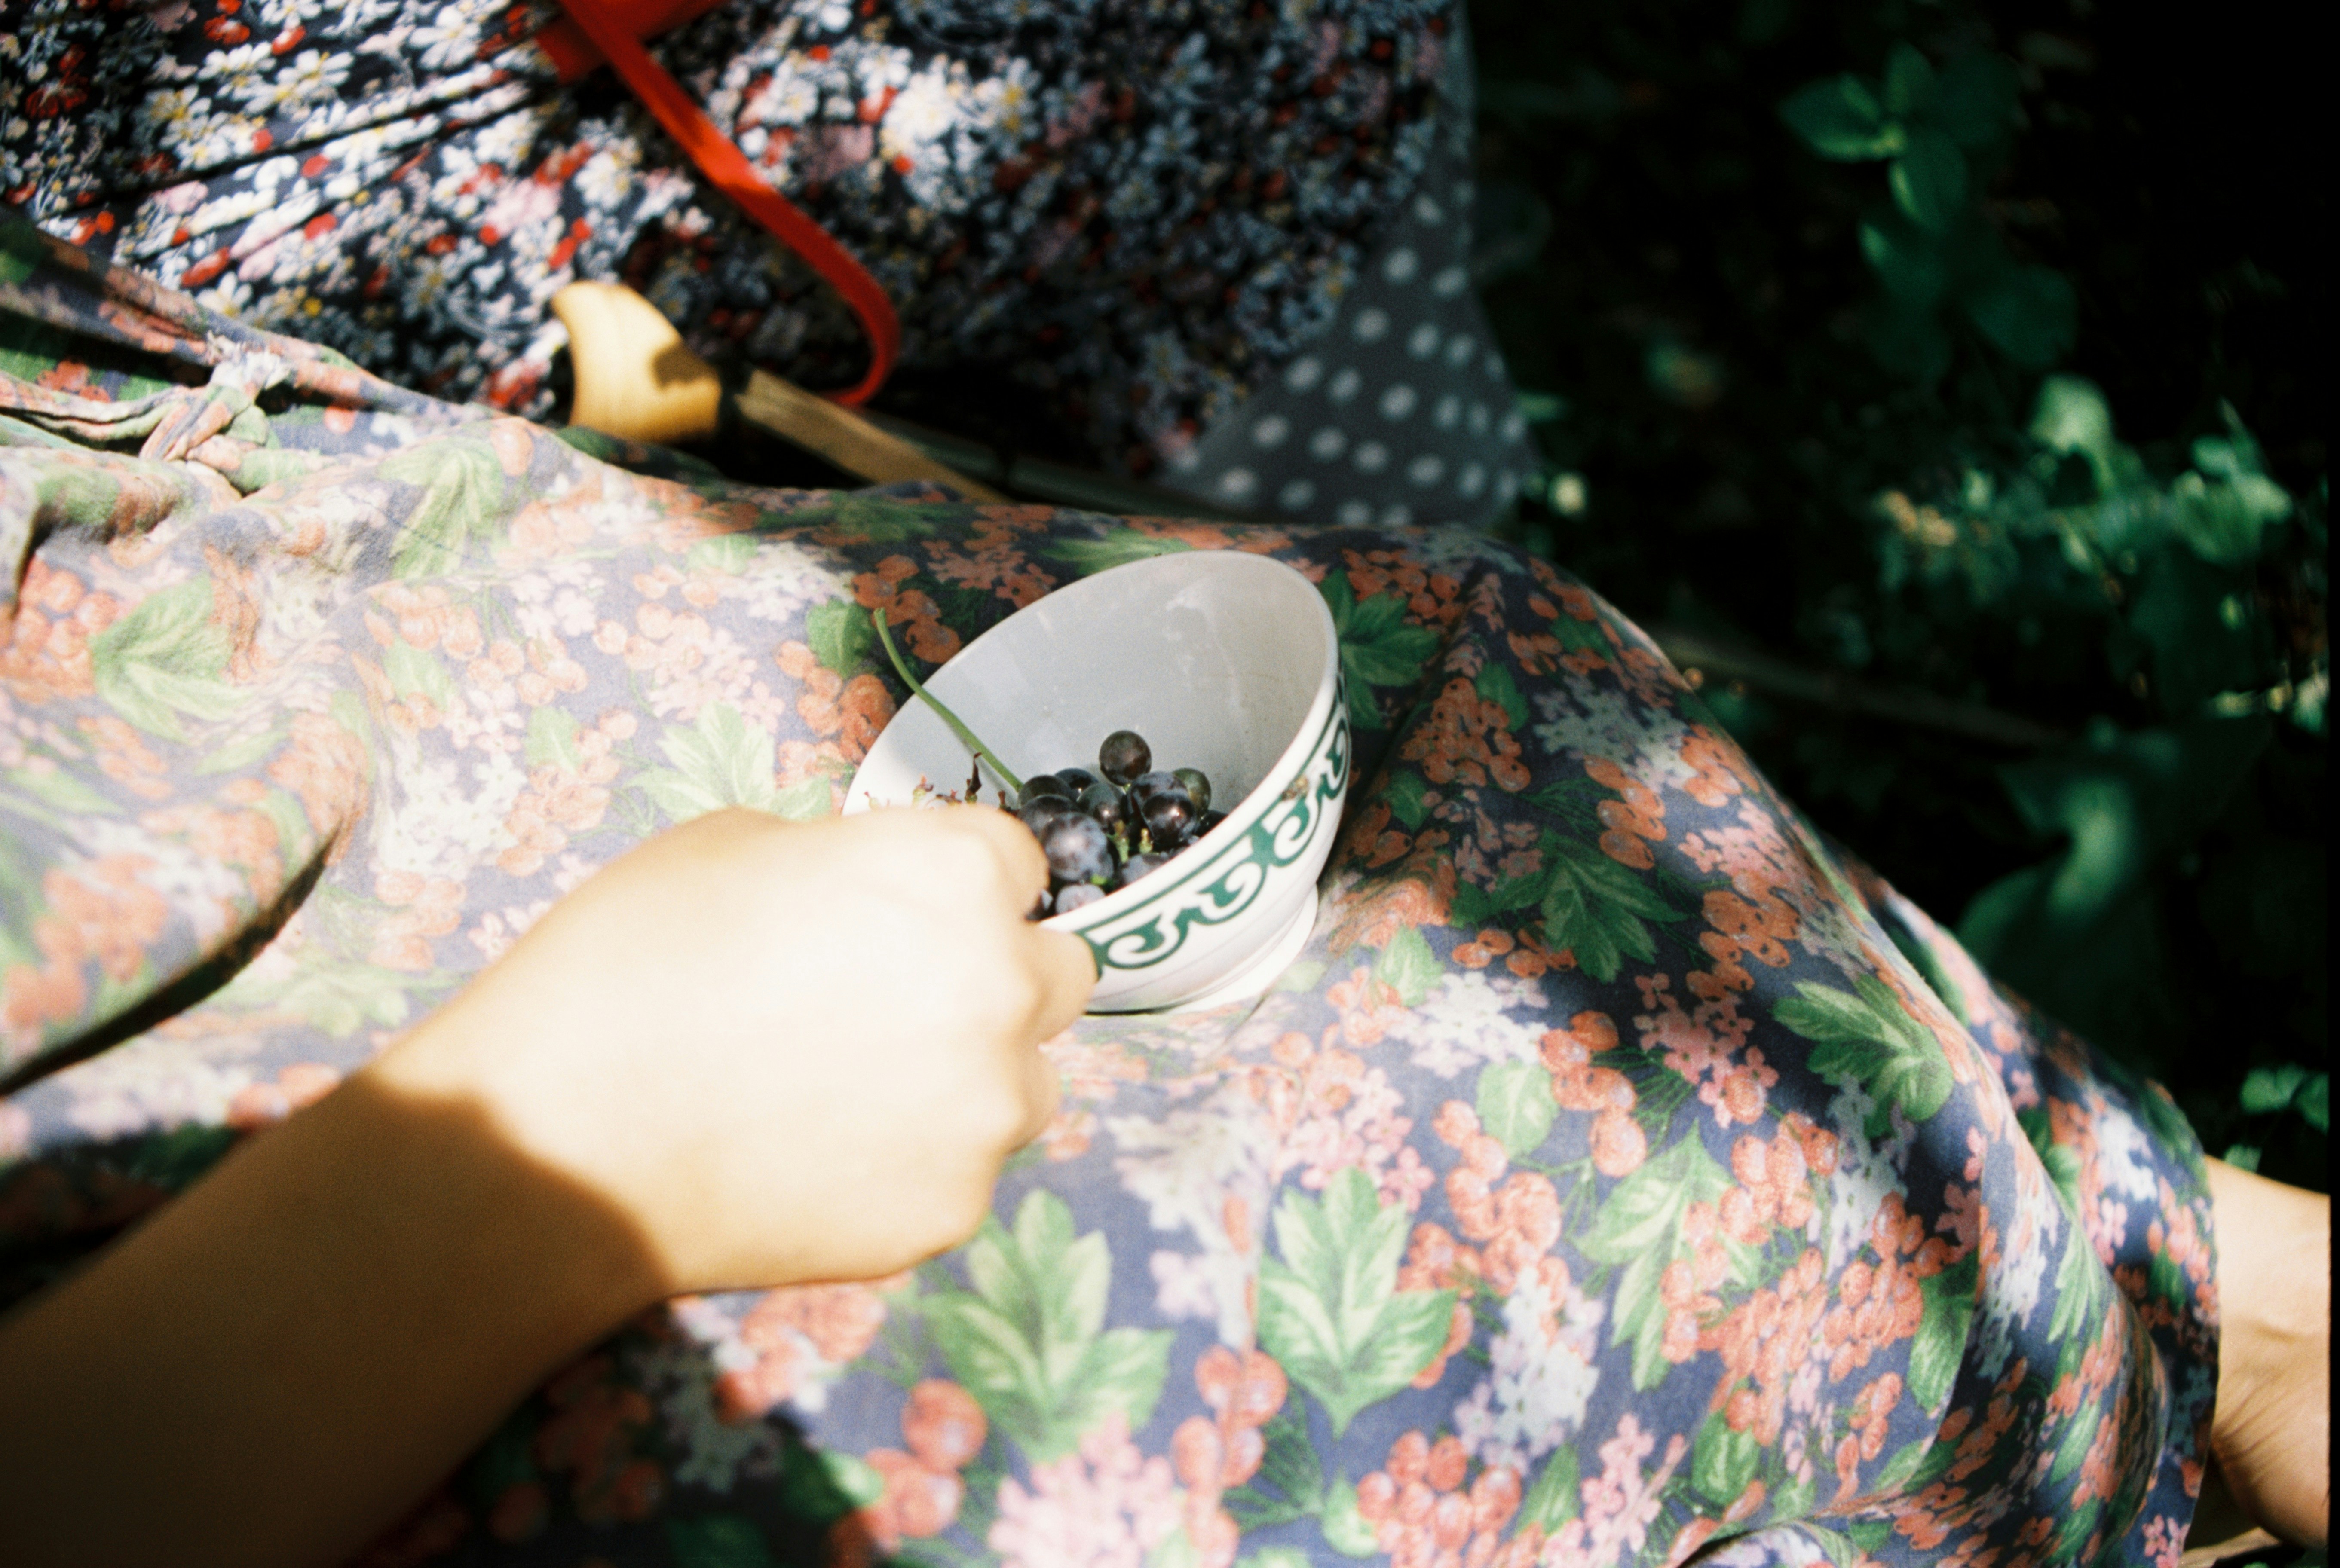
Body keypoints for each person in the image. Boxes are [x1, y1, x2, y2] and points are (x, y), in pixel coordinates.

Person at [0, 214, 2325, 1568]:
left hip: (306, 627)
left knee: (1513, 719)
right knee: (1462, 1241)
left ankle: (2197, 1260)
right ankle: (2139, 1321)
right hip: (360, 1308)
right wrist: (515, 1178)